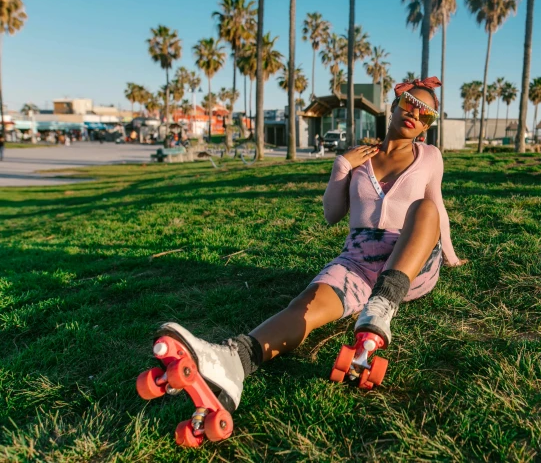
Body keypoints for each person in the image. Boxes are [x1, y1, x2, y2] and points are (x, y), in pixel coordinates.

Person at [154, 76, 466, 413]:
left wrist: (450, 255)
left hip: (412, 257)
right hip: (358, 260)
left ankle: (383, 304)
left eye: (426, 115)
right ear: (393, 107)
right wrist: (342, 166)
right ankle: (235, 360)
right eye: (410, 104)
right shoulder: (360, 159)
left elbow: (436, 210)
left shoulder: (430, 156)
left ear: (426, 127)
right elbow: (332, 214)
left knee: (424, 207)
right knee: (303, 305)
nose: (415, 115)